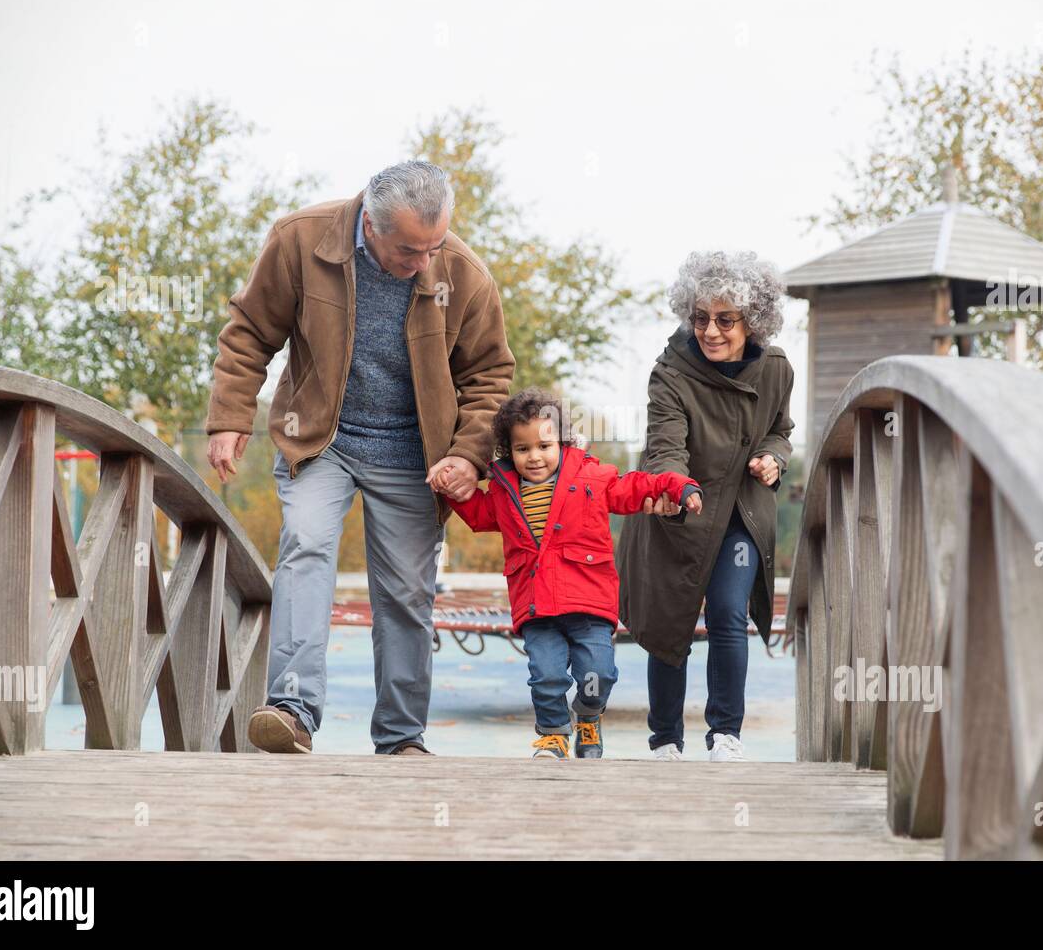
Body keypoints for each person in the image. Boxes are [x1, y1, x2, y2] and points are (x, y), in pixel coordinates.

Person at [204, 161, 514, 756]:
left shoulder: (463, 273)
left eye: (434, 247)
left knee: (404, 590)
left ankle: (401, 737)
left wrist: (469, 456)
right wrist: (228, 417)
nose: (422, 263)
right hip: (320, 438)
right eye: (408, 249)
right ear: (370, 223)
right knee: (307, 546)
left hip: (413, 455)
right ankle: (291, 710)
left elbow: (489, 373)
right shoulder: (301, 239)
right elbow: (248, 331)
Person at [438, 388, 702, 759]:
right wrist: (454, 491)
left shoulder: (592, 478)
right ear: (508, 451)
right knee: (546, 676)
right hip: (537, 605)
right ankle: (552, 735)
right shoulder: (504, 490)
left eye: (544, 446)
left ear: (562, 444)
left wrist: (677, 485)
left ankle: (589, 716)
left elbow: (636, 486)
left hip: (589, 602)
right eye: (523, 449)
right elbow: (481, 516)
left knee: (598, 675)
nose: (534, 457)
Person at [616, 250, 794, 762]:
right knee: (668, 621)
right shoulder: (670, 373)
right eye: (700, 318)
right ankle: (666, 739)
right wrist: (677, 486)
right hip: (679, 512)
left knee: (727, 613)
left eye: (724, 320)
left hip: (739, 512)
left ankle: (725, 734)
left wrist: (773, 457)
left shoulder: (777, 369)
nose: (710, 331)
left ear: (752, 321)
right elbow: (664, 443)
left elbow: (781, 430)